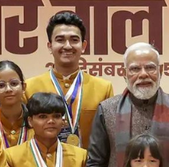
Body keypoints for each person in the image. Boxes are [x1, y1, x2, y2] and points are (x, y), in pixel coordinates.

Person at [25, 11, 115, 149]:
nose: (67, 46)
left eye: (74, 40)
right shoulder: (29, 87)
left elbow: (109, 138)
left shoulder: (103, 88)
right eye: (60, 40)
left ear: (83, 46)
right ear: (50, 46)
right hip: (41, 161)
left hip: (89, 162)